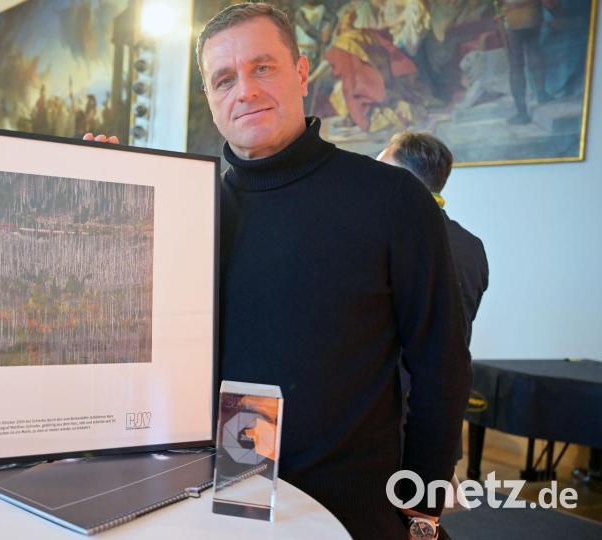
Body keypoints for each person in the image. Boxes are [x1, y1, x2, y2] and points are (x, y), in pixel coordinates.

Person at [90, 4, 470, 538]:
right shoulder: (190, 214)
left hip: (352, 514)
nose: (243, 90)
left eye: (262, 67)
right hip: (216, 503)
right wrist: (98, 203)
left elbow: (441, 362)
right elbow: (130, 337)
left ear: (300, 72)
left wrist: (422, 507)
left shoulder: (392, 199)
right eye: (224, 78)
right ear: (211, 98)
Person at [378, 131, 489, 343]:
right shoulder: (472, 246)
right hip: (450, 375)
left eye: (379, 174)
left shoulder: (389, 239)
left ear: (404, 181)